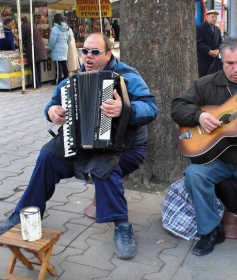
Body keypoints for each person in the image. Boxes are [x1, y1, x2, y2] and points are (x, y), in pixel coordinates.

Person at [0, 33, 157, 260]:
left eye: (95, 52)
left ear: (108, 54)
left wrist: (126, 109)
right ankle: (24, 214)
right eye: (85, 51)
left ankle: (122, 226)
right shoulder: (72, 80)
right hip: (82, 143)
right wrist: (51, 111)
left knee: (105, 166)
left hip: (126, 146)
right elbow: (53, 103)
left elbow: (151, 108)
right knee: (47, 155)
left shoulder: (127, 76)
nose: (88, 56)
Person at [171, 34, 237, 263]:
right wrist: (199, 116)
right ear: (222, 61)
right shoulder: (206, 84)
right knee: (193, 174)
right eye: (229, 63)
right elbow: (177, 107)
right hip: (213, 156)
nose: (235, 69)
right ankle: (209, 231)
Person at [21, 16, 47, 88]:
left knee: (33, 67)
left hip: (33, 49)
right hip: (39, 48)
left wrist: (20, 46)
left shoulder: (24, 27)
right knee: (37, 66)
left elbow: (21, 39)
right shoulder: (32, 25)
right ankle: (39, 83)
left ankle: (36, 84)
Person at [196, 10, 222, 77]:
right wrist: (208, 51)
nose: (214, 19)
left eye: (216, 17)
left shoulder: (217, 29)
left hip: (214, 59)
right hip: (203, 59)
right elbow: (198, 43)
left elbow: (220, 42)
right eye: (212, 17)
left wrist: (218, 49)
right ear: (207, 17)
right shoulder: (200, 28)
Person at [49, 13, 71, 85]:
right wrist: (66, 45)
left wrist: (51, 48)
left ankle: (57, 80)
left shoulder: (55, 29)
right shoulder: (67, 28)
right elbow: (69, 39)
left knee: (58, 66)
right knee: (64, 64)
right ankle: (66, 78)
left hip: (57, 49)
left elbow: (52, 40)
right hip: (64, 48)